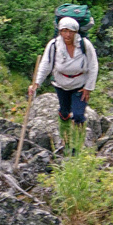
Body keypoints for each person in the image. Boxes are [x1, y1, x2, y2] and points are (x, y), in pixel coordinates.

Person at [29, 16, 99, 150]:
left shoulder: (84, 44)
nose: (67, 34)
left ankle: (77, 145)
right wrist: (36, 83)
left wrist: (89, 87)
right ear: (60, 31)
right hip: (61, 84)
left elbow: (93, 65)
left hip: (80, 85)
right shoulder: (54, 45)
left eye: (71, 31)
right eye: (64, 31)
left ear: (76, 32)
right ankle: (65, 139)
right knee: (64, 111)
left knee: (78, 115)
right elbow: (45, 65)